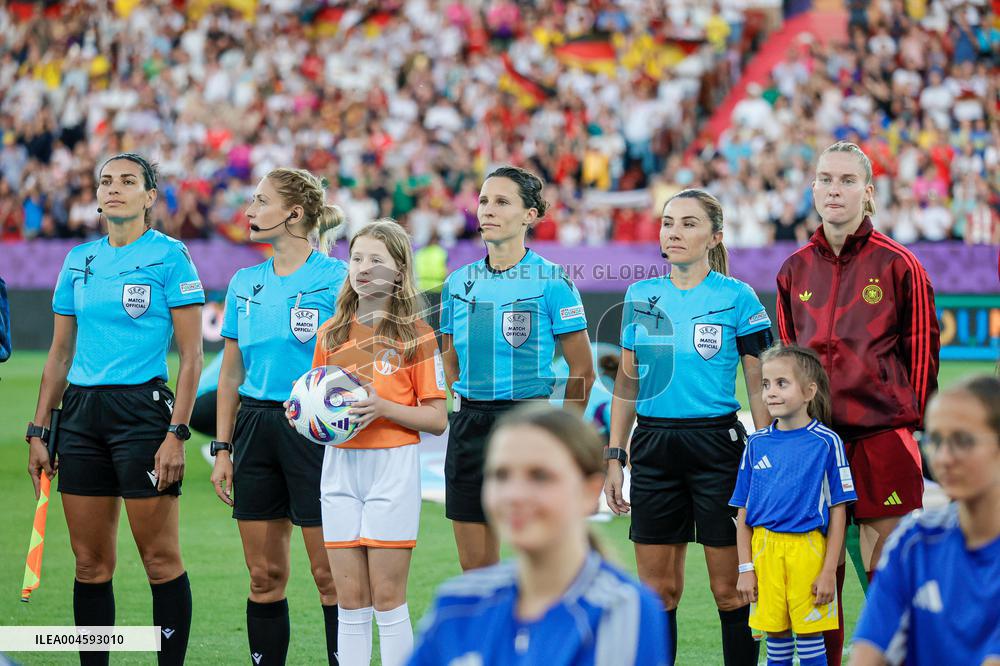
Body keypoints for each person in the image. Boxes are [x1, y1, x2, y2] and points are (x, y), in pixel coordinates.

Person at [26, 153, 204, 666]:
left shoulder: (171, 256)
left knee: (159, 560)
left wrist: (177, 434)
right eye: (106, 181)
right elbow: (60, 355)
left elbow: (192, 356)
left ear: (150, 197)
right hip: (80, 416)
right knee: (89, 565)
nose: (114, 188)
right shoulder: (78, 259)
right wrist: (39, 429)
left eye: (128, 181)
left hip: (143, 415)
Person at [776, 141, 940, 665]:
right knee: (817, 578)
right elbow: (789, 359)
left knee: (889, 574)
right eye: (825, 179)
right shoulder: (793, 269)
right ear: (813, 189)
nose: (834, 189)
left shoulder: (899, 264)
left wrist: (912, 424)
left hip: (880, 439)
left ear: (868, 192)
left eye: (847, 180)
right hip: (815, 445)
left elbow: (922, 351)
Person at [604, 188, 773, 666]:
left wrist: (768, 453)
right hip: (654, 448)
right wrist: (615, 455)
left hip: (719, 449)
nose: (674, 232)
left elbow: (759, 385)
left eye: (688, 223)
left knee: (731, 591)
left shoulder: (738, 297)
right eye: (668, 222)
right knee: (657, 593)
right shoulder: (640, 296)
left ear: (715, 236)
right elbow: (627, 383)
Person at [409, 403, 670, 665]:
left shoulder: (621, 609)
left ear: (589, 491)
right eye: (500, 475)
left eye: (540, 476)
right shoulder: (458, 603)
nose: (515, 494)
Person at [210, 167, 347, 665]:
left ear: (294, 213)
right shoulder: (244, 282)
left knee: (330, 577)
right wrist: (222, 449)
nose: (248, 211)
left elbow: (361, 362)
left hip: (315, 432)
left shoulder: (337, 278)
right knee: (263, 577)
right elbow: (230, 374)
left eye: (260, 201)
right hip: (255, 428)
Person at [439, 166, 595, 571]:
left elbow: (582, 370)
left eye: (502, 202)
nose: (487, 210)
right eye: (484, 201)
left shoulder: (552, 280)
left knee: (545, 560)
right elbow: (449, 355)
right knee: (476, 570)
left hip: (529, 423)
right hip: (469, 426)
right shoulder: (457, 282)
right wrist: (463, 403)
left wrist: (564, 438)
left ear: (529, 215)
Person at [306, 219, 447, 666]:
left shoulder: (417, 335)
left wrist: (383, 408)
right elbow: (315, 400)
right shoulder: (330, 333)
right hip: (338, 468)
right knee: (349, 601)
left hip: (393, 469)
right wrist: (305, 415)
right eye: (356, 258)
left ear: (400, 271)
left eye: (376, 260)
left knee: (387, 599)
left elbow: (437, 419)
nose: (363, 268)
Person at [850, 376, 1000, 666]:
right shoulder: (914, 541)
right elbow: (868, 652)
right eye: (936, 441)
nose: (944, 458)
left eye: (963, 441)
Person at [732, 345, 856, 666]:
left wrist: (828, 571)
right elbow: (743, 513)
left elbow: (838, 510)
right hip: (764, 552)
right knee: (776, 638)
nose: (770, 392)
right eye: (765, 384)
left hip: (808, 551)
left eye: (781, 383)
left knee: (811, 639)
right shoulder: (756, 443)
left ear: (809, 392)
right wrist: (746, 568)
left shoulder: (827, 442)